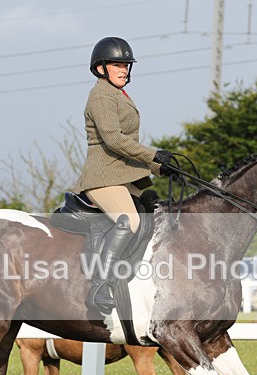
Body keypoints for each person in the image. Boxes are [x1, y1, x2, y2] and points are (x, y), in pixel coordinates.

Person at [70, 36, 173, 313]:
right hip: (102, 177)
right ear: (101, 68)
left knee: (159, 216)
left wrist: (160, 167)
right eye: (117, 64)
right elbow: (114, 140)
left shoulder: (118, 94)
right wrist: (153, 155)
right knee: (129, 221)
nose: (124, 69)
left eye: (126, 64)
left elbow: (126, 148)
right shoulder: (101, 95)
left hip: (123, 175)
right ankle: (100, 286)